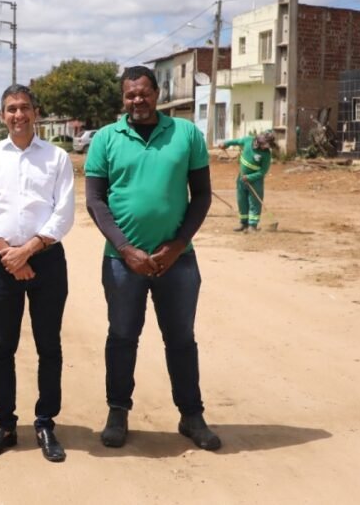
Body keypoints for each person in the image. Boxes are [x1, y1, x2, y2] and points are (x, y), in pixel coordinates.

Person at [84, 65, 220, 452]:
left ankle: (191, 415)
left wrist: (177, 245)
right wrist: (126, 249)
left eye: (143, 93)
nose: (137, 100)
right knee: (122, 337)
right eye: (129, 95)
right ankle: (117, 412)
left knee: (180, 339)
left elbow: (202, 196)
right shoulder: (107, 139)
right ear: (122, 98)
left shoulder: (186, 134)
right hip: (121, 262)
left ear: (156, 93)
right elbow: (95, 200)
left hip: (177, 261)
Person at [0, 84, 75, 463]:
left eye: (25, 108)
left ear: (36, 112)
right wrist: (7, 254)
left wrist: (28, 250)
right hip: (2, 262)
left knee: (49, 346)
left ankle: (45, 423)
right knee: (3, 347)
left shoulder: (57, 157)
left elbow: (63, 212)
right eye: (11, 109)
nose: (18, 115)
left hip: (46, 258)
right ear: (2, 115)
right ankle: (6, 425)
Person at [221, 130, 276, 232]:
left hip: (255, 182)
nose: (268, 147)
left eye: (269, 145)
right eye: (266, 144)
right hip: (241, 179)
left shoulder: (266, 154)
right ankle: (243, 224)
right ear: (260, 141)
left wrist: (250, 177)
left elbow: (263, 171)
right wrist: (226, 144)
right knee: (241, 201)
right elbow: (236, 141)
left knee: (254, 203)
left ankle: (252, 225)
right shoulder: (247, 141)